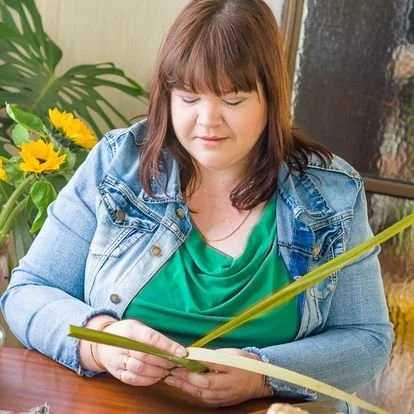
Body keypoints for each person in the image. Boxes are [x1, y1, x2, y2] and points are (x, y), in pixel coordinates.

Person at [1, 0, 393, 412]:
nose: (208, 120)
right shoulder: (118, 164)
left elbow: (367, 339)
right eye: (188, 98)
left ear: (271, 99)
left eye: (233, 100)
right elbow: (28, 292)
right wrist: (101, 342)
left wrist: (263, 374)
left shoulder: (330, 193)